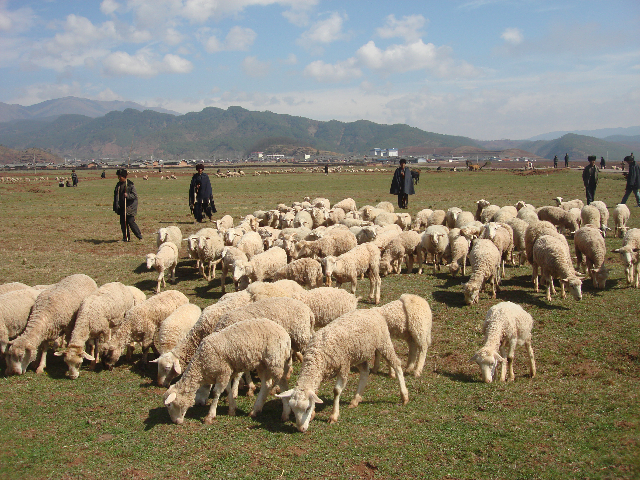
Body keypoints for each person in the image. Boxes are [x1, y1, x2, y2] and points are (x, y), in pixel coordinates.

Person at [113, 169, 142, 242]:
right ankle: (125, 238)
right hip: (122, 207)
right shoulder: (118, 185)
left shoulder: (130, 185)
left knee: (131, 222)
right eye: (118, 176)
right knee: (123, 223)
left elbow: (135, 196)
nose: (119, 178)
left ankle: (139, 236)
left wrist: (127, 195)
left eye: (120, 176)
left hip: (130, 207)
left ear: (124, 176)